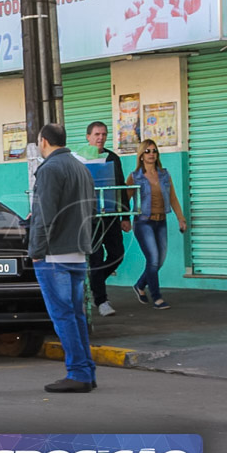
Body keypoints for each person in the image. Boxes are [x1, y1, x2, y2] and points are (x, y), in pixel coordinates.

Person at [29, 123, 96, 393]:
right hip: (78, 251)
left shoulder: (50, 169)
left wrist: (36, 250)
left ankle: (78, 372)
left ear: (44, 141)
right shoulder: (81, 167)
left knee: (63, 316)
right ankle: (86, 371)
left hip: (54, 253)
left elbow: (45, 214)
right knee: (76, 315)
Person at [126, 139, 187, 310]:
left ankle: (139, 285)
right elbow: (125, 199)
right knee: (152, 259)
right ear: (141, 155)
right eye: (147, 151)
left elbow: (173, 198)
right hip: (143, 222)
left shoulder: (164, 175)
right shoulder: (134, 176)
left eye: (154, 151)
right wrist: (123, 220)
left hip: (161, 221)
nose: (151, 154)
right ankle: (157, 297)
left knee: (159, 261)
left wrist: (180, 218)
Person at [85, 121, 131, 317]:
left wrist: (125, 216)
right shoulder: (80, 158)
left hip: (110, 216)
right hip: (90, 218)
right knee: (95, 259)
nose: (100, 138)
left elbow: (120, 187)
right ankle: (101, 300)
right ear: (88, 137)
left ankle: (96, 282)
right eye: (96, 134)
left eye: (103, 134)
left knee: (117, 254)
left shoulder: (113, 158)